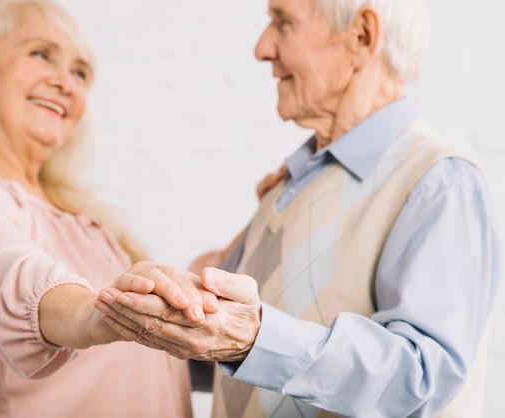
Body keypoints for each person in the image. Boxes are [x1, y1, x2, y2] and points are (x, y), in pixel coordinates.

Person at [95, 0, 502, 416]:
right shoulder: (287, 184)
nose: (262, 48)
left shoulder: (440, 183)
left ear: (362, 36)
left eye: (283, 23)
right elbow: (229, 362)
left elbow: (421, 377)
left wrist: (253, 337)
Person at [0, 0, 219, 416]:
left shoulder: (72, 213)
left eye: (80, 72)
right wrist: (94, 313)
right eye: (40, 54)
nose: (66, 83)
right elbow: (6, 271)